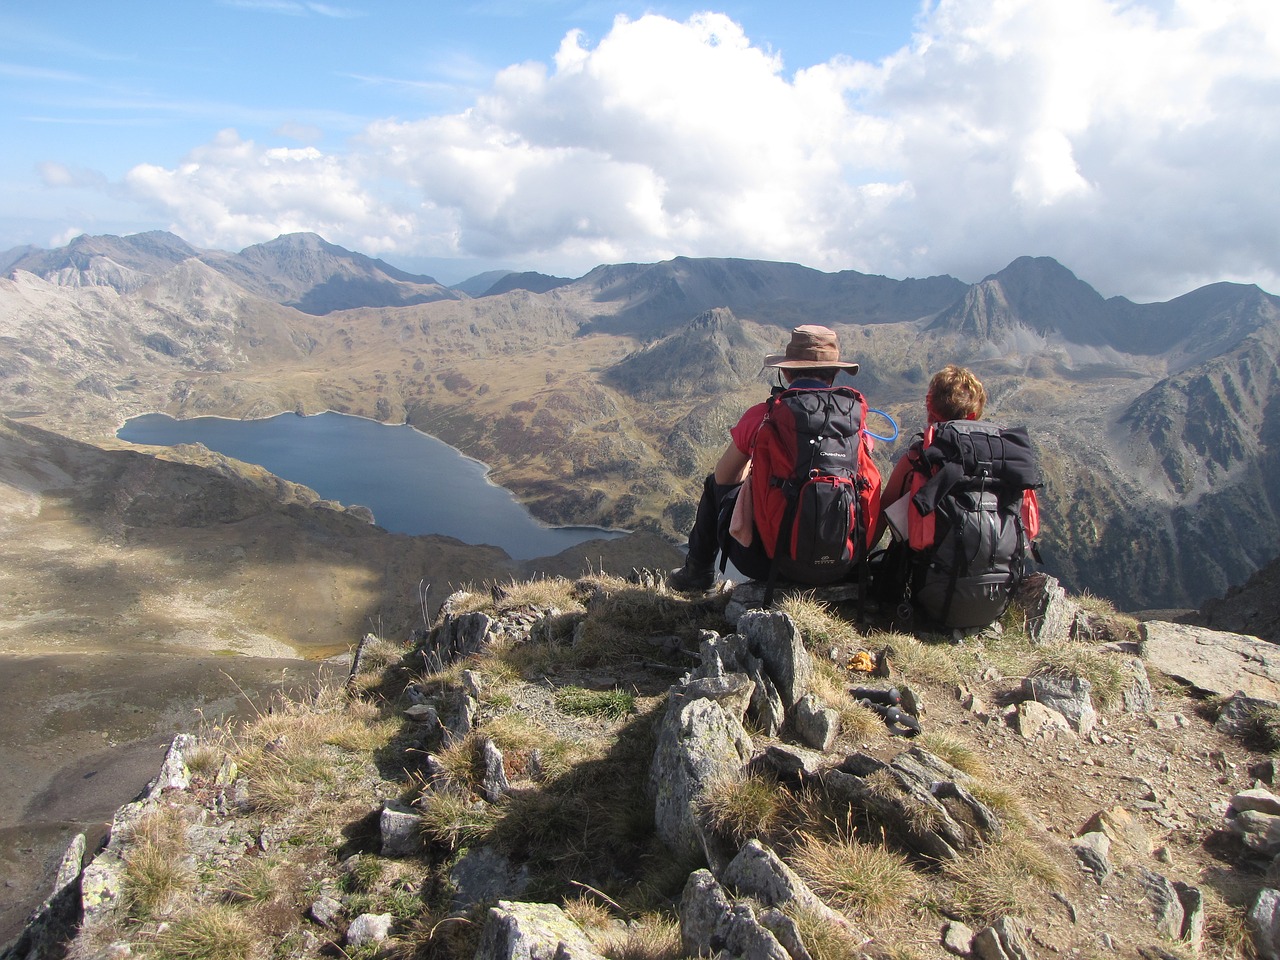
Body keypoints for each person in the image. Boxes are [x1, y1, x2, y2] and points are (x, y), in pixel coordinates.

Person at [668, 324, 863, 591]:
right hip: (841, 562)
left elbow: (724, 478)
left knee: (713, 484)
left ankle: (697, 572)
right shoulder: (853, 422)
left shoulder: (765, 415)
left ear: (785, 371)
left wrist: (755, 472)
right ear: (836, 373)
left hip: (767, 562)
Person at [876, 363, 987, 542]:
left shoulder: (918, 460)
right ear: (973, 417)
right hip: (999, 567)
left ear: (930, 411)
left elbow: (881, 518)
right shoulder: (1001, 457)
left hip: (929, 568)